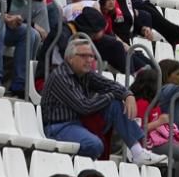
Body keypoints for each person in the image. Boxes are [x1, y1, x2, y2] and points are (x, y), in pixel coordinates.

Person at [40, 36, 166, 164]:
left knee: (116, 104)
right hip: (58, 127)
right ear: (70, 58)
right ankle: (77, 169)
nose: (89, 60)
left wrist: (128, 95)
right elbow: (84, 107)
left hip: (77, 121)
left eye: (91, 56)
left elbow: (109, 84)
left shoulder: (85, 73)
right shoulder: (61, 77)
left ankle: (137, 151)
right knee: (95, 144)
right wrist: (112, 95)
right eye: (84, 56)